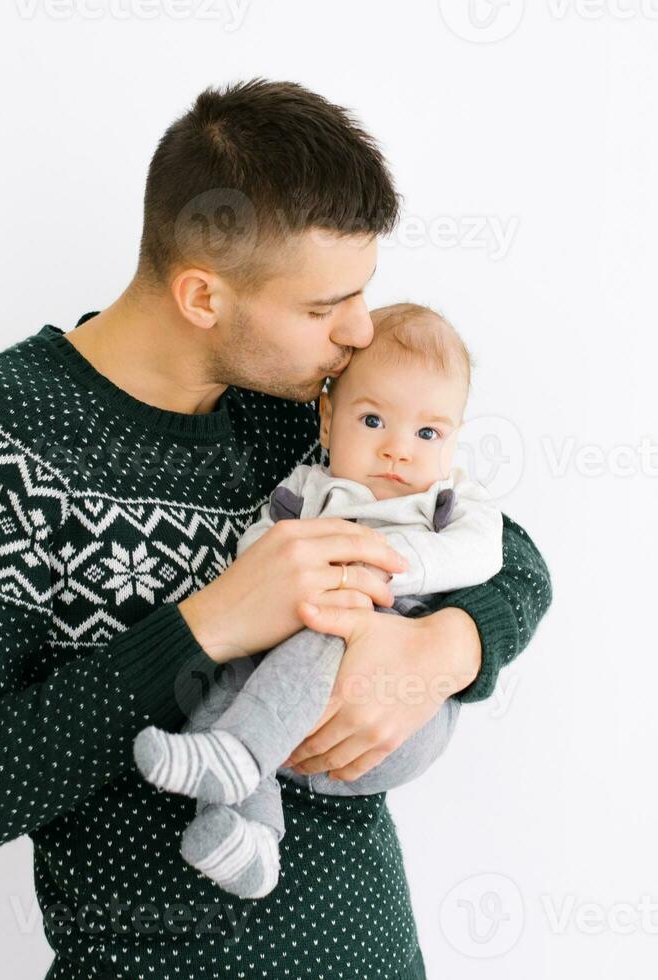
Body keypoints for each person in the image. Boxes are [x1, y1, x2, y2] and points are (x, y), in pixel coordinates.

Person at [0, 77, 552, 980]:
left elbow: (511, 554)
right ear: (203, 296)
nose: (358, 336)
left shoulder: (294, 413)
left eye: (363, 293)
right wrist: (209, 626)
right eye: (322, 309)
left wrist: (444, 650)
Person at [134, 303, 504, 901]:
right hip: (291, 718)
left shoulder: (448, 499)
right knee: (219, 676)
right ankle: (248, 837)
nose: (398, 451)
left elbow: (486, 555)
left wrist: (381, 573)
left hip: (392, 723)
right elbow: (259, 551)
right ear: (327, 421)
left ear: (455, 439)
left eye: (428, 433)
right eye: (374, 420)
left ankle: (237, 752)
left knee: (332, 624)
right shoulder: (306, 488)